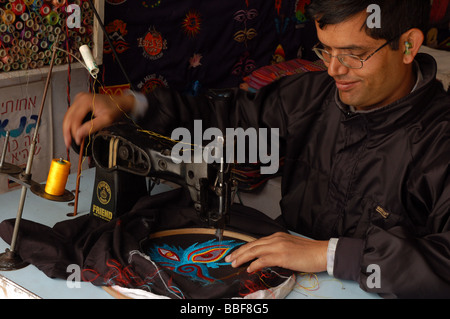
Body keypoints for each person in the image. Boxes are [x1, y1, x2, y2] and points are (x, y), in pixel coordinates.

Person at [63, 0, 450, 298]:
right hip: (288, 284)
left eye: (353, 54)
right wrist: (132, 105)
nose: (334, 70)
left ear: (408, 45)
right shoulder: (312, 95)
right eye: (325, 51)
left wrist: (327, 254)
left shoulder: (438, 140)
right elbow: (225, 120)